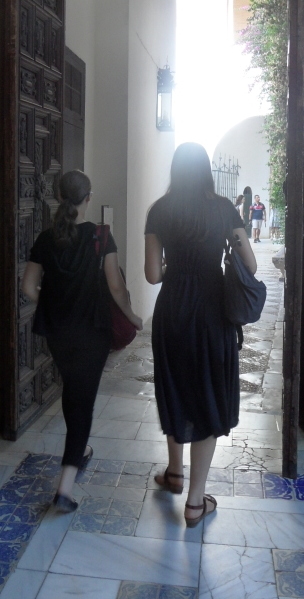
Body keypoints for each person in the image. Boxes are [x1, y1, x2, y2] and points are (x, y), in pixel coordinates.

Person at [144, 143, 257, 526]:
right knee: (207, 393)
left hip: (173, 310)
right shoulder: (224, 209)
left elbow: (152, 275)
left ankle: (174, 472)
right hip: (212, 312)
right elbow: (250, 263)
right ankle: (195, 501)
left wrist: (173, 265)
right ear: (207, 170)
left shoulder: (160, 210)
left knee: (175, 387)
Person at [22, 170, 143, 512]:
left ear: (59, 196)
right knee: (82, 402)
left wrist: (54, 301)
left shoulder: (46, 238)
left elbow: (28, 288)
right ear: (88, 198)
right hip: (92, 332)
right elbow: (116, 287)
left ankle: (80, 450)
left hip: (58, 333)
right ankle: (64, 488)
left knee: (73, 392)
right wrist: (133, 316)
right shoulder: (101, 237)